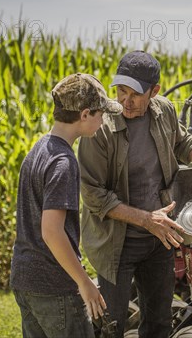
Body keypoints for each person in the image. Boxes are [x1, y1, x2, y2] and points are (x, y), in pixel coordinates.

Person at [78, 50, 192, 338]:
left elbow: (182, 144)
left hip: (159, 240)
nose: (126, 101)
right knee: (111, 326)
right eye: (121, 91)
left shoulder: (164, 111)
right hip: (116, 244)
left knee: (159, 323)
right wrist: (147, 219)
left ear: (154, 91)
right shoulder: (101, 127)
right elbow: (93, 194)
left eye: (134, 94)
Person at [10, 73, 123, 338]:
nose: (103, 120)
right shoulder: (64, 162)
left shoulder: (38, 149)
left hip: (25, 280)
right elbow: (51, 232)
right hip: (54, 287)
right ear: (85, 114)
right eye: (101, 113)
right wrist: (84, 283)